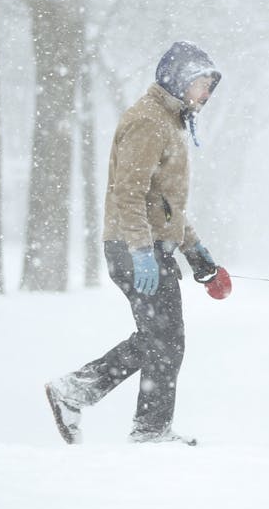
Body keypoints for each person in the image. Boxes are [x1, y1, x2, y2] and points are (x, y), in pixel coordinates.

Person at [45, 40, 233, 445]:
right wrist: (142, 251)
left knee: (161, 339)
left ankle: (87, 396)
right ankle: (141, 426)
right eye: (201, 83)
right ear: (178, 79)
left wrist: (196, 252)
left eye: (208, 86)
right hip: (135, 249)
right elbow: (128, 192)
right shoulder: (150, 121)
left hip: (150, 247)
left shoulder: (170, 122)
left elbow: (164, 204)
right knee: (164, 340)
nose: (206, 94)